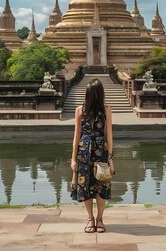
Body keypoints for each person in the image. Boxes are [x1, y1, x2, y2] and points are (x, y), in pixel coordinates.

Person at [70, 78, 115, 233]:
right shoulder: (79, 110)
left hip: (100, 153)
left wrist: (110, 157)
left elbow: (109, 135)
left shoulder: (106, 110)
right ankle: (90, 218)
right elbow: (76, 136)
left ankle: (100, 219)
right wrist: (73, 159)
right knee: (85, 186)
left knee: (101, 186)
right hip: (84, 152)